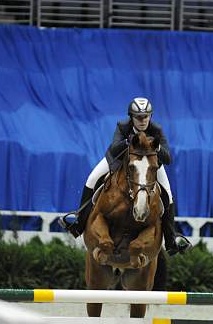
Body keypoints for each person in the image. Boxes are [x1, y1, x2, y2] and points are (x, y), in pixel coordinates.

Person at [59, 97, 192, 256]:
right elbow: (114, 149)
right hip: (120, 161)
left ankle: (171, 239)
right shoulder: (123, 126)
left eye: (146, 116)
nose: (143, 120)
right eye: (139, 117)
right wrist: (127, 142)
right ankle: (78, 221)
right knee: (92, 178)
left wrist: (156, 147)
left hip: (149, 165)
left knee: (168, 196)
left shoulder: (156, 130)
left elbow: (168, 158)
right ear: (131, 117)